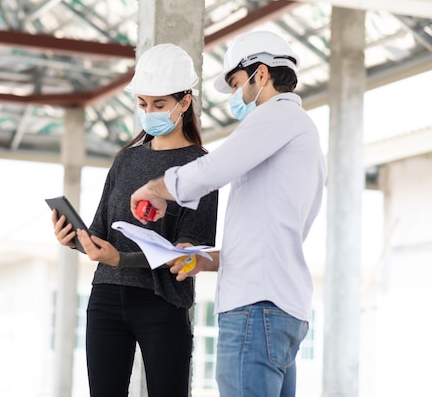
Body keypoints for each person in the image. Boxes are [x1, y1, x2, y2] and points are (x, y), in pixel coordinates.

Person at [129, 31, 327, 397]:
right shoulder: (303, 136)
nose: (236, 96)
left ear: (262, 75)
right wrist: (206, 259)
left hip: (256, 309)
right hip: (283, 311)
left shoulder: (276, 116)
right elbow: (272, 235)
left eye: (237, 84)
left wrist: (156, 188)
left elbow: (215, 168)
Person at [51, 43, 218, 397]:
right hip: (106, 298)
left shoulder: (202, 167)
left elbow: (187, 255)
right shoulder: (125, 161)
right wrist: (72, 238)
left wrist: (120, 259)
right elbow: (99, 233)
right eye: (143, 104)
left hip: (163, 303)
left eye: (159, 105)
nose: (148, 112)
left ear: (184, 103)